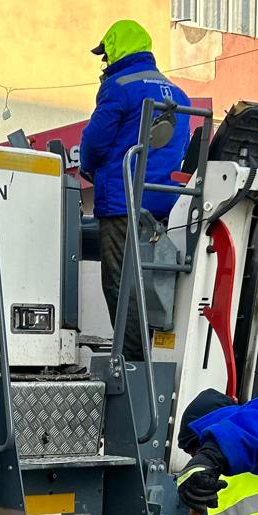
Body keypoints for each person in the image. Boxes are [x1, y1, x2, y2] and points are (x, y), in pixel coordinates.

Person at [79, 19, 190, 360]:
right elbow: (180, 148)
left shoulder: (118, 86)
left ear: (118, 49)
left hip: (122, 203)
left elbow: (94, 143)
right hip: (162, 206)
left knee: (118, 282)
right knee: (152, 282)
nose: (104, 61)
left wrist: (88, 168)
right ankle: (152, 350)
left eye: (106, 53)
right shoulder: (178, 94)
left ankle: (128, 361)